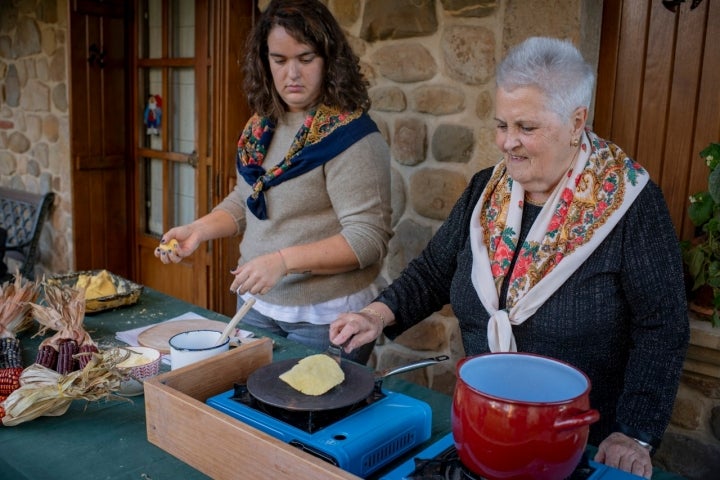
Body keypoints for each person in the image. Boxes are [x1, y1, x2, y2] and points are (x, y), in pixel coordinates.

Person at [330, 37, 689, 478]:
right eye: (501, 125)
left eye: (527, 128)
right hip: (485, 427)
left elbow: (663, 325)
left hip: (578, 444)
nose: (507, 142)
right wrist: (377, 314)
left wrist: (634, 434)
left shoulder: (630, 204)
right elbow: (435, 269)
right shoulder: (487, 191)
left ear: (577, 121)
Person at [156, 0, 392, 365]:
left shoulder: (354, 138)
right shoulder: (262, 124)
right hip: (254, 303)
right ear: (264, 61)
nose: (292, 74)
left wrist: (282, 261)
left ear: (329, 59)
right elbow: (245, 197)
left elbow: (367, 240)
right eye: (279, 60)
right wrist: (198, 230)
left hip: (325, 317)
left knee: (304, 415)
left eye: (306, 58)